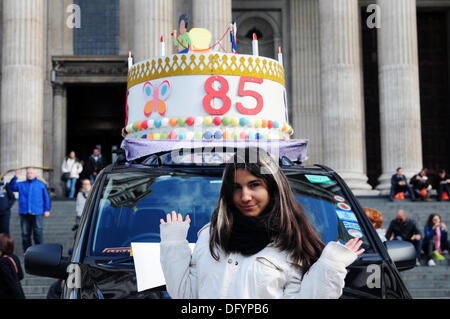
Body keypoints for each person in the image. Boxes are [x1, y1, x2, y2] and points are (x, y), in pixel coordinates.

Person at [159, 147, 364, 299]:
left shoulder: (291, 245)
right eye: (237, 187)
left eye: (254, 185)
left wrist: (330, 266)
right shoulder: (210, 236)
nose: (245, 196)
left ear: (272, 189)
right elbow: (185, 295)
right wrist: (174, 245)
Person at [9, 168, 51, 252]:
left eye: (31, 173)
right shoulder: (21, 184)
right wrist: (15, 177)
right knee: (25, 234)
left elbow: (46, 198)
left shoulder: (41, 185)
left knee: (38, 232)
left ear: (35, 174)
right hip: (24, 212)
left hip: (37, 212)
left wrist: (47, 209)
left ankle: (40, 251)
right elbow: (12, 187)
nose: (29, 174)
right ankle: (27, 252)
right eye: (28, 173)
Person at [0, 233, 25, 299]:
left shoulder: (2, 261)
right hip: (19, 293)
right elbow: (21, 275)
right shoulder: (15, 257)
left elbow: (8, 280)